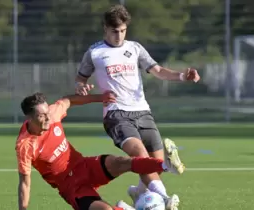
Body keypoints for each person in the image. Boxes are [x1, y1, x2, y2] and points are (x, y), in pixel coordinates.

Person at [74, 4, 201, 209]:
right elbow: (80, 79)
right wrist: (81, 88)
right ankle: (166, 198)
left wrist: (181, 76)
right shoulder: (95, 52)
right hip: (116, 114)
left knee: (155, 163)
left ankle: (136, 194)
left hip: (142, 111)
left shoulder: (135, 48)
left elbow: (158, 70)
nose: (119, 35)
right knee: (139, 154)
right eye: (115, 31)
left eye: (123, 30)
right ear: (105, 28)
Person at [16, 91, 178, 210]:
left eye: (47, 112)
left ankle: (166, 166)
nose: (48, 118)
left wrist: (99, 98)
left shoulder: (52, 114)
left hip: (83, 166)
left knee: (121, 162)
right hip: (72, 187)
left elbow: (68, 100)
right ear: (29, 118)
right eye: (42, 116)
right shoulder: (25, 145)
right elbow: (24, 183)